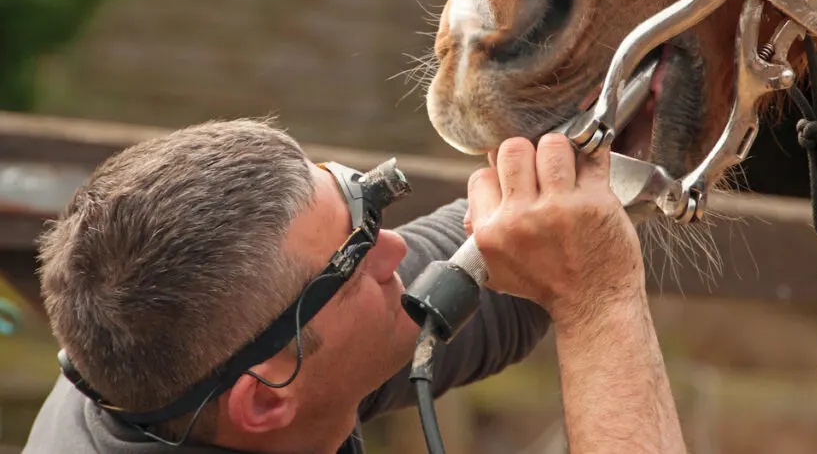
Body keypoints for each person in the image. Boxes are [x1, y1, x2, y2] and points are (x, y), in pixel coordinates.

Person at [22, 117, 686, 454]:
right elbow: (579, 282)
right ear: (266, 397)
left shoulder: (176, 363)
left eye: (364, 208)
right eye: (353, 260)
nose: (397, 248)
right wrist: (601, 305)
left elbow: (514, 275)